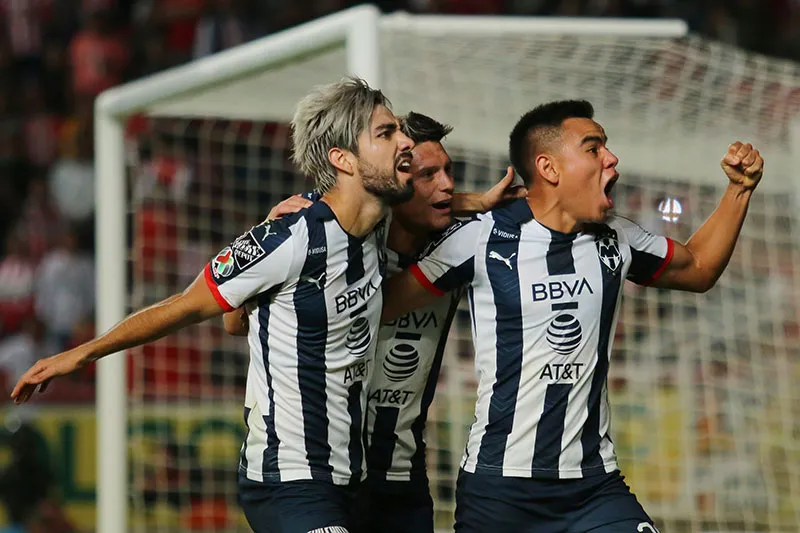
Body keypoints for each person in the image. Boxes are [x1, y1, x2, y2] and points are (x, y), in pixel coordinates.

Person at [11, 77, 417, 533]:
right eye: (386, 133)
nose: (406, 143)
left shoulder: (376, 226)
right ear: (341, 159)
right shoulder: (287, 237)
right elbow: (185, 305)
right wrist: (79, 353)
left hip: (351, 477)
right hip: (289, 478)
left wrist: (480, 202)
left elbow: (236, 323)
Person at [381, 100, 764, 532]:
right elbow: (381, 304)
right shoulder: (480, 239)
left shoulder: (617, 238)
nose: (611, 158)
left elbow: (697, 268)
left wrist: (739, 190)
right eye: (594, 148)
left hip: (594, 488)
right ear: (549, 167)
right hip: (500, 493)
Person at [224, 111, 525, 533]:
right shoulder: (331, 244)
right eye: (427, 174)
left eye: (448, 171)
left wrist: (478, 202)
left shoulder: (461, 245)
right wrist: (266, 230)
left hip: (400, 478)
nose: (447, 185)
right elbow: (235, 323)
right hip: (322, 474)